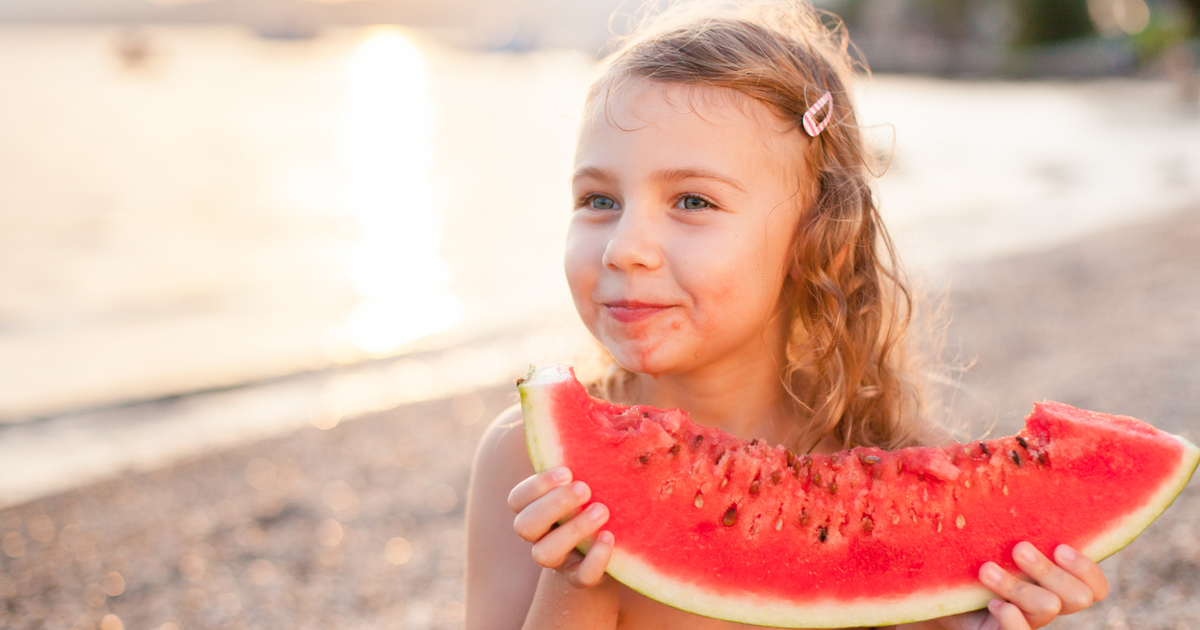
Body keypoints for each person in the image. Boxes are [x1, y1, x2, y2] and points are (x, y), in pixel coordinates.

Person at [463, 1, 1109, 628]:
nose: (624, 247)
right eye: (598, 199)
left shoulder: (904, 466)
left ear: (813, 240)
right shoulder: (524, 462)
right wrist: (579, 579)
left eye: (691, 200)